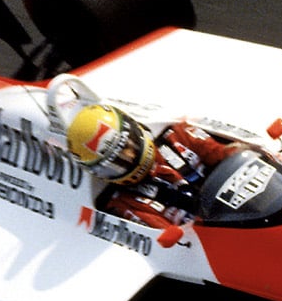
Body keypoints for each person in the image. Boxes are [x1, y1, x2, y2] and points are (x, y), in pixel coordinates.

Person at [64, 100, 238, 247]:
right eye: (115, 163)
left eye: (127, 147)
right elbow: (171, 240)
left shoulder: (176, 136)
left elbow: (229, 154)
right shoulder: (124, 204)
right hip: (219, 240)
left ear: (134, 131)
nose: (129, 158)